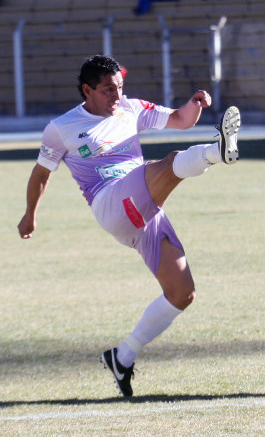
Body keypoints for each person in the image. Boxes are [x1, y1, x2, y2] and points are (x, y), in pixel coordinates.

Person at [17, 55, 241, 397]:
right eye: (108, 90)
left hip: (143, 206)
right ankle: (216, 152)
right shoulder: (61, 128)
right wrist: (30, 213)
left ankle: (122, 357)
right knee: (165, 165)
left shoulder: (131, 108)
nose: (117, 96)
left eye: (120, 88)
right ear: (87, 90)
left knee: (182, 294)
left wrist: (194, 104)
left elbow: (180, 120)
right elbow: (41, 174)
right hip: (110, 203)